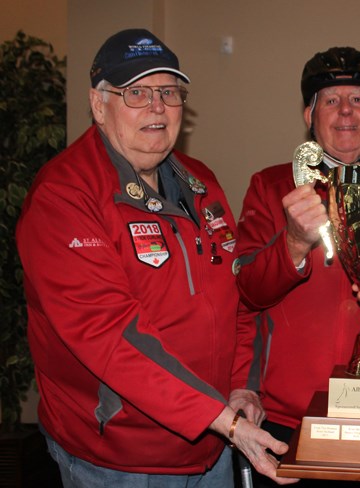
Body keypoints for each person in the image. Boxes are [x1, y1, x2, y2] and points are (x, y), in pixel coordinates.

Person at [16, 28, 296, 488]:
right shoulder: (63, 198)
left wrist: (239, 383)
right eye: (137, 92)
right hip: (118, 457)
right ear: (98, 104)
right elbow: (108, 335)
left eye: (168, 91)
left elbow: (236, 295)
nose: (158, 106)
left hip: (212, 441)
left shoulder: (200, 182)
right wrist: (221, 418)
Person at [232, 46, 360, 486]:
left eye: (357, 99)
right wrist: (293, 243)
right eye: (330, 100)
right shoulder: (270, 187)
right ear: (309, 115)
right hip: (290, 416)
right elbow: (247, 290)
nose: (345, 111)